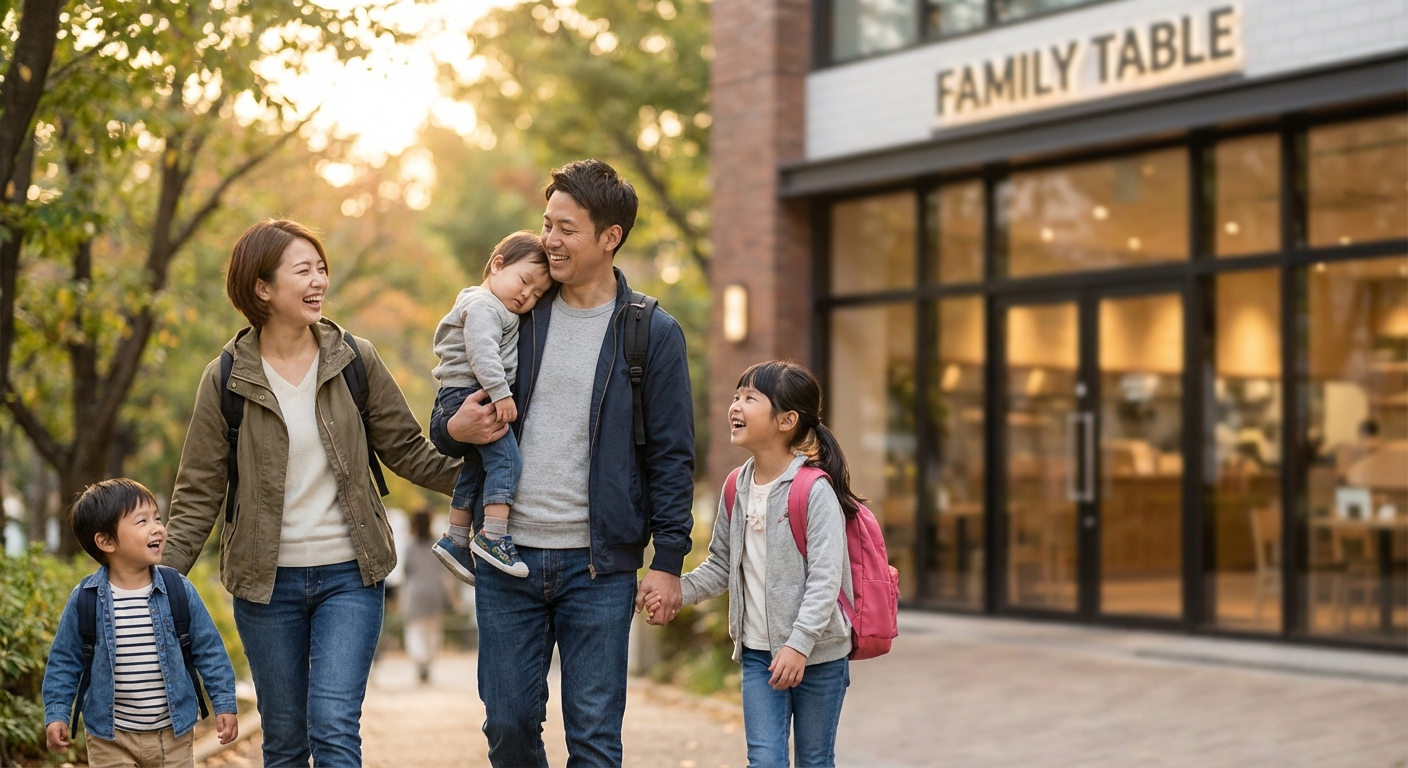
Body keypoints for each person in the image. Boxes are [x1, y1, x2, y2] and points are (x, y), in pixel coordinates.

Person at [163, 219, 461, 767]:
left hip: (350, 575)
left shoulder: (355, 360)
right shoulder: (225, 379)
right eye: (303, 270)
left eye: (321, 268)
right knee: (284, 740)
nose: (319, 280)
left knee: (333, 724)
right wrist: (154, 585)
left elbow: (408, 451)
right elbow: (198, 494)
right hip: (265, 585)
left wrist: (491, 483)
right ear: (262, 287)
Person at [444, 159, 695, 767]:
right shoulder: (518, 312)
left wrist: (667, 561)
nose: (549, 240)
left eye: (566, 228)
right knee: (508, 727)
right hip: (507, 556)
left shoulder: (651, 332)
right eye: (546, 224)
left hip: (599, 566)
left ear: (610, 237)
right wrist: (453, 426)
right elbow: (450, 406)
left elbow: (672, 455)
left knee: (595, 740)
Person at [647, 360, 855, 768]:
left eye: (750, 398)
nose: (735, 406)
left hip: (818, 655)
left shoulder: (813, 490)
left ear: (787, 420)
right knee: (764, 760)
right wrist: (676, 591)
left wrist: (798, 645)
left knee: (814, 760)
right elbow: (721, 565)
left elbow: (825, 579)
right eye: (736, 396)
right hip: (759, 653)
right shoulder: (736, 486)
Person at [43, 479, 238, 767]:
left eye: (157, 518)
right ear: (106, 542)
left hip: (173, 735)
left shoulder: (177, 589)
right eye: (142, 521)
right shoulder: (86, 599)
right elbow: (64, 661)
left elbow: (209, 650)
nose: (157, 527)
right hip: (110, 738)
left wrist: (224, 704)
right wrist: (57, 713)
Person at [428, 231, 553, 581]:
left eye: (537, 294)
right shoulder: (485, 305)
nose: (527, 295)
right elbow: (482, 352)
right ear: (497, 265)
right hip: (475, 394)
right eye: (524, 281)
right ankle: (494, 536)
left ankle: (456, 537)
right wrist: (501, 394)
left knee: (476, 468)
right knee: (507, 461)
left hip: (465, 393)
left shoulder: (492, 305)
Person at [402, 509, 456, 683]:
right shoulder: (437, 544)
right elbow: (445, 571)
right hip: (435, 591)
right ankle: (428, 659)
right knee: (433, 631)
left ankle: (421, 658)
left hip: (416, 593)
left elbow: (407, 571)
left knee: (415, 630)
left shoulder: (411, 546)